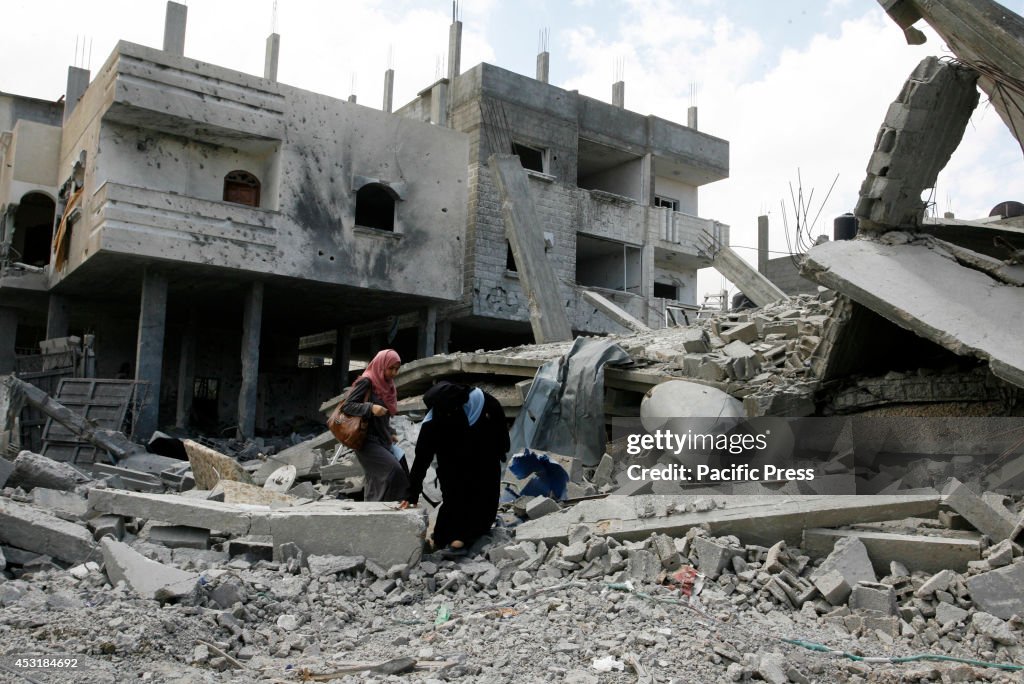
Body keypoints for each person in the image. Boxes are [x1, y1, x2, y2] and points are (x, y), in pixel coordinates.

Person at [401, 381, 509, 551]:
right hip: (451, 457)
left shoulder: (481, 402)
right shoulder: (433, 422)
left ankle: (467, 535)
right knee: (453, 495)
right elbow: (422, 459)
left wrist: (502, 448)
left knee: (485, 492)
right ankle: (442, 538)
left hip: (483, 453)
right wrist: (411, 494)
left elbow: (499, 425)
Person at [341, 349, 409, 501]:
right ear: (380, 365)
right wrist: (370, 408)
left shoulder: (388, 386)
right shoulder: (366, 381)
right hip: (365, 440)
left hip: (382, 438)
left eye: (397, 369)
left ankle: (373, 514)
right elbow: (347, 406)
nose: (394, 373)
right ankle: (388, 510)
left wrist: (389, 431)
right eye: (391, 368)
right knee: (394, 471)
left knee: (379, 477)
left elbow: (384, 416)